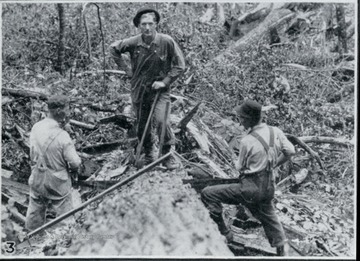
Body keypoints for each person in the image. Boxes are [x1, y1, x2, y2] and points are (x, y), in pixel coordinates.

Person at [201, 100, 295, 256]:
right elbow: (290, 151)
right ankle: (282, 251)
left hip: (250, 189)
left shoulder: (247, 141)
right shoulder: (275, 131)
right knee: (269, 215)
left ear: (249, 119)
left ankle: (225, 233)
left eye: (241, 118)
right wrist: (273, 165)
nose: (240, 121)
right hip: (269, 186)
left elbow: (239, 167)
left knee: (208, 193)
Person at [110, 7, 185, 169]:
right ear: (138, 26)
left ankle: (166, 154)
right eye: (143, 24)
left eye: (150, 23)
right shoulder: (134, 42)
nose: (147, 28)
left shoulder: (166, 41)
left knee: (161, 121)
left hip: (160, 91)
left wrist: (165, 82)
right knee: (142, 124)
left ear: (156, 24)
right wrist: (127, 70)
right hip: (139, 89)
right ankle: (149, 151)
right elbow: (114, 49)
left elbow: (180, 66)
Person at [25, 95, 81, 231]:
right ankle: (63, 241)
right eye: (68, 109)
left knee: (35, 209)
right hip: (57, 180)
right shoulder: (62, 136)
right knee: (65, 214)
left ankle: (31, 238)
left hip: (37, 175)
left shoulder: (36, 127)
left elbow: (32, 151)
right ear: (59, 111)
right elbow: (75, 162)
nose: (69, 113)